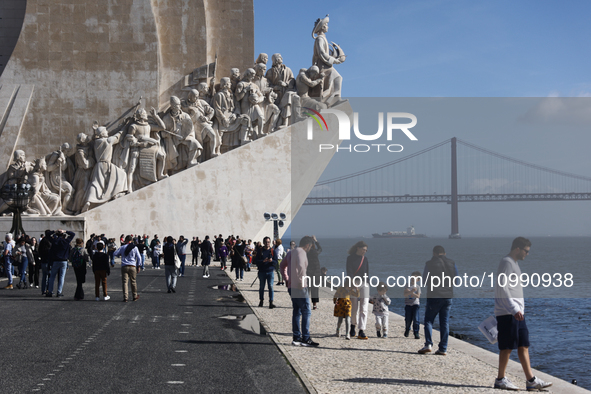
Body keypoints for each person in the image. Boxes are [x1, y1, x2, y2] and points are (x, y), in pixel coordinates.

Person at [493, 237, 552, 391]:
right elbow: (503, 287)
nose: (527, 254)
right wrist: (513, 309)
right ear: (517, 249)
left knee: (523, 345)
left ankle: (531, 381)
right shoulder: (506, 262)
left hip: (517, 313)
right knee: (507, 347)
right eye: (526, 251)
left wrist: (519, 310)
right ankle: (500, 379)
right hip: (508, 312)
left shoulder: (514, 264)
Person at [418, 245, 458, 355]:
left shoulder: (429, 263)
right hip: (448, 296)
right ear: (444, 253)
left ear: (434, 253)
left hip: (434, 295)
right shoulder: (452, 263)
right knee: (444, 322)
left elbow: (425, 280)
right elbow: (456, 280)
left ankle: (428, 344)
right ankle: (443, 348)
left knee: (428, 320)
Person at [280, 236, 319, 347]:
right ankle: (305, 338)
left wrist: (286, 279)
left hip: (292, 286)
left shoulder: (291, 252)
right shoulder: (301, 252)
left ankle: (296, 338)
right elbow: (302, 267)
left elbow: (282, 265)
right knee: (306, 311)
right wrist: (302, 282)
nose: (310, 248)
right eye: (311, 246)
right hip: (300, 287)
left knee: (296, 311)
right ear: (307, 245)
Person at [346, 241, 370, 339]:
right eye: (363, 249)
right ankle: (352, 326)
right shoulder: (350, 258)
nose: (365, 251)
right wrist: (353, 283)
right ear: (358, 248)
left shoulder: (365, 259)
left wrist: (367, 284)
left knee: (364, 307)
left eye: (366, 250)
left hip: (364, 283)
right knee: (354, 306)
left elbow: (367, 273)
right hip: (353, 283)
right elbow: (349, 271)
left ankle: (361, 330)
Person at [46, 230, 75, 297]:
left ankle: (50, 291)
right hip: (64, 260)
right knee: (61, 277)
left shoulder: (54, 241)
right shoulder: (66, 241)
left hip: (55, 260)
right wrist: (65, 231)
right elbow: (73, 234)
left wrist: (54, 231)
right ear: (63, 235)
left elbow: (47, 235)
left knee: (52, 277)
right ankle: (59, 291)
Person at [113, 235, 141, 302]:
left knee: (125, 282)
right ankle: (134, 296)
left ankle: (125, 297)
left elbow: (115, 253)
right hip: (132, 266)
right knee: (133, 281)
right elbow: (139, 257)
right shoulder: (135, 247)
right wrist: (139, 266)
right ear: (131, 240)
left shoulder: (122, 247)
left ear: (125, 240)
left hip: (124, 265)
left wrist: (120, 255)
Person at [254, 236, 277, 309]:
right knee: (262, 287)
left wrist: (272, 261)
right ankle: (261, 301)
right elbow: (256, 261)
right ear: (263, 243)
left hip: (270, 271)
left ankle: (271, 302)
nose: (267, 243)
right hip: (262, 272)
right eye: (266, 242)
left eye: (268, 242)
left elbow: (276, 262)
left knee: (270, 286)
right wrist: (262, 261)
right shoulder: (260, 251)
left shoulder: (273, 251)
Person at [404, 271, 422, 339]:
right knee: (408, 319)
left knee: (416, 319)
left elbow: (418, 296)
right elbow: (405, 294)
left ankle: (416, 332)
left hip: (415, 304)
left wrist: (412, 293)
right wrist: (411, 291)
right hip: (408, 304)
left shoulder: (418, 287)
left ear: (418, 280)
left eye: (415, 278)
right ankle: (407, 329)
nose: (412, 279)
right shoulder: (407, 285)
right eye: (412, 277)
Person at [306, 236, 322, 309]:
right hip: (316, 273)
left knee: (307, 289)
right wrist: (316, 241)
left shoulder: (306, 252)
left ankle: (305, 303)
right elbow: (320, 249)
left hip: (308, 272)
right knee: (315, 289)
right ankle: (314, 305)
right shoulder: (315, 252)